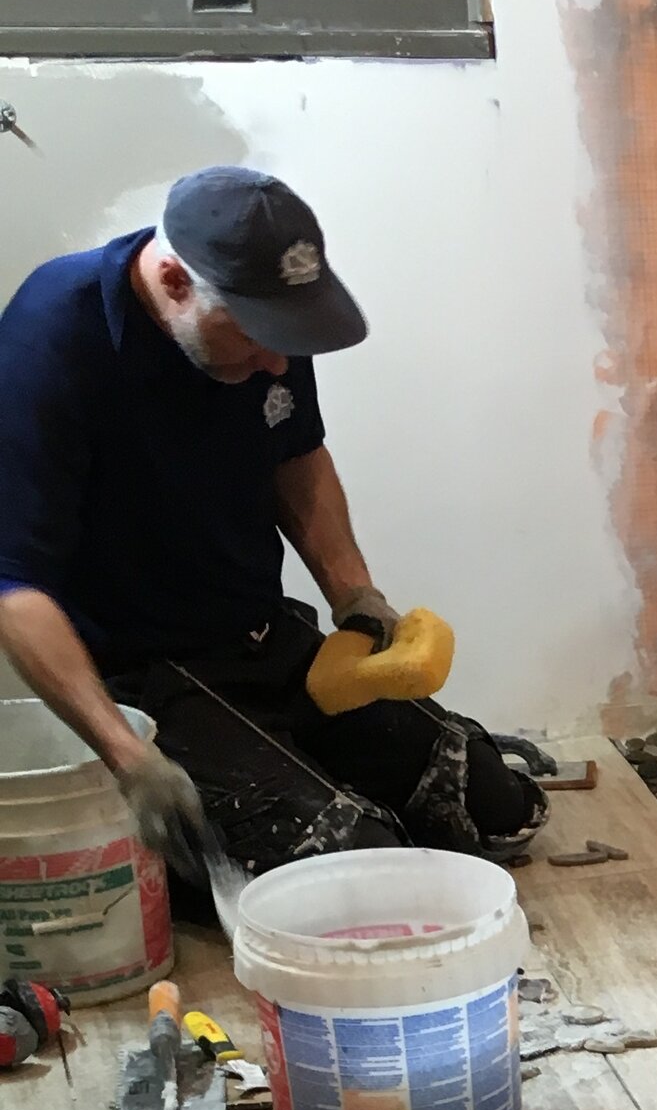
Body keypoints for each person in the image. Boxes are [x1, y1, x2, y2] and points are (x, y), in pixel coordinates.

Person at [0, 169, 543, 890]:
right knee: (355, 870)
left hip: (263, 634)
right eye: (259, 335)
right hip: (149, 676)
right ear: (173, 280)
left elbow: (296, 452)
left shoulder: (268, 320)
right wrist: (129, 757)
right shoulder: (54, 337)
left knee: (488, 806)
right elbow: (16, 589)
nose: (281, 361)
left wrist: (355, 596)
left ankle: (307, 773)